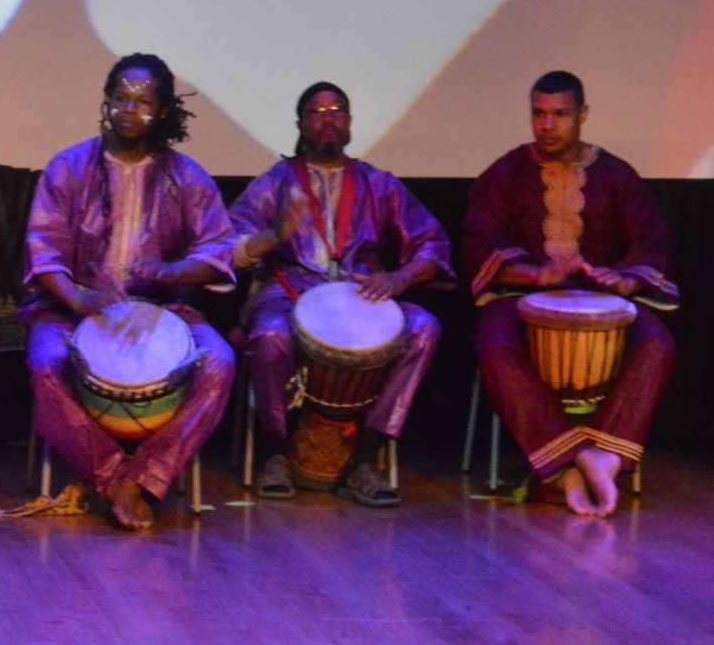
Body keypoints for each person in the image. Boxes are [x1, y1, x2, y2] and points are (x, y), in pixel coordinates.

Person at [23, 53, 236, 531]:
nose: (128, 109)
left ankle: (143, 479)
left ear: (162, 111)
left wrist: (174, 270)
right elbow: (43, 254)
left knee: (220, 362)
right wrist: (79, 301)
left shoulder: (186, 177)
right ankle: (116, 477)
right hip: (70, 308)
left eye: (142, 101)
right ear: (107, 102)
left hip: (167, 310)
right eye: (120, 98)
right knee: (46, 364)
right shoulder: (69, 167)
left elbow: (218, 248)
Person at [463, 70, 676, 517]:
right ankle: (570, 462)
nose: (547, 126)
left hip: (604, 304)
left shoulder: (618, 176)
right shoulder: (506, 172)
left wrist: (626, 280)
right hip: (518, 299)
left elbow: (650, 244)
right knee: (495, 347)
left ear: (582, 114)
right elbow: (478, 240)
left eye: (560, 115)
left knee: (658, 344)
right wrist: (534, 276)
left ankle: (601, 456)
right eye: (538, 114)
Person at [229, 82, 451, 506]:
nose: (328, 118)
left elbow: (433, 244)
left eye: (337, 110)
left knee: (425, 327)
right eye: (317, 111)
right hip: (291, 290)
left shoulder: (378, 184)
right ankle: (275, 454)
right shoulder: (275, 183)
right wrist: (275, 235)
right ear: (300, 125)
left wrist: (400, 279)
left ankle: (365, 459)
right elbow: (227, 244)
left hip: (362, 293)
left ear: (349, 122)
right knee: (269, 335)